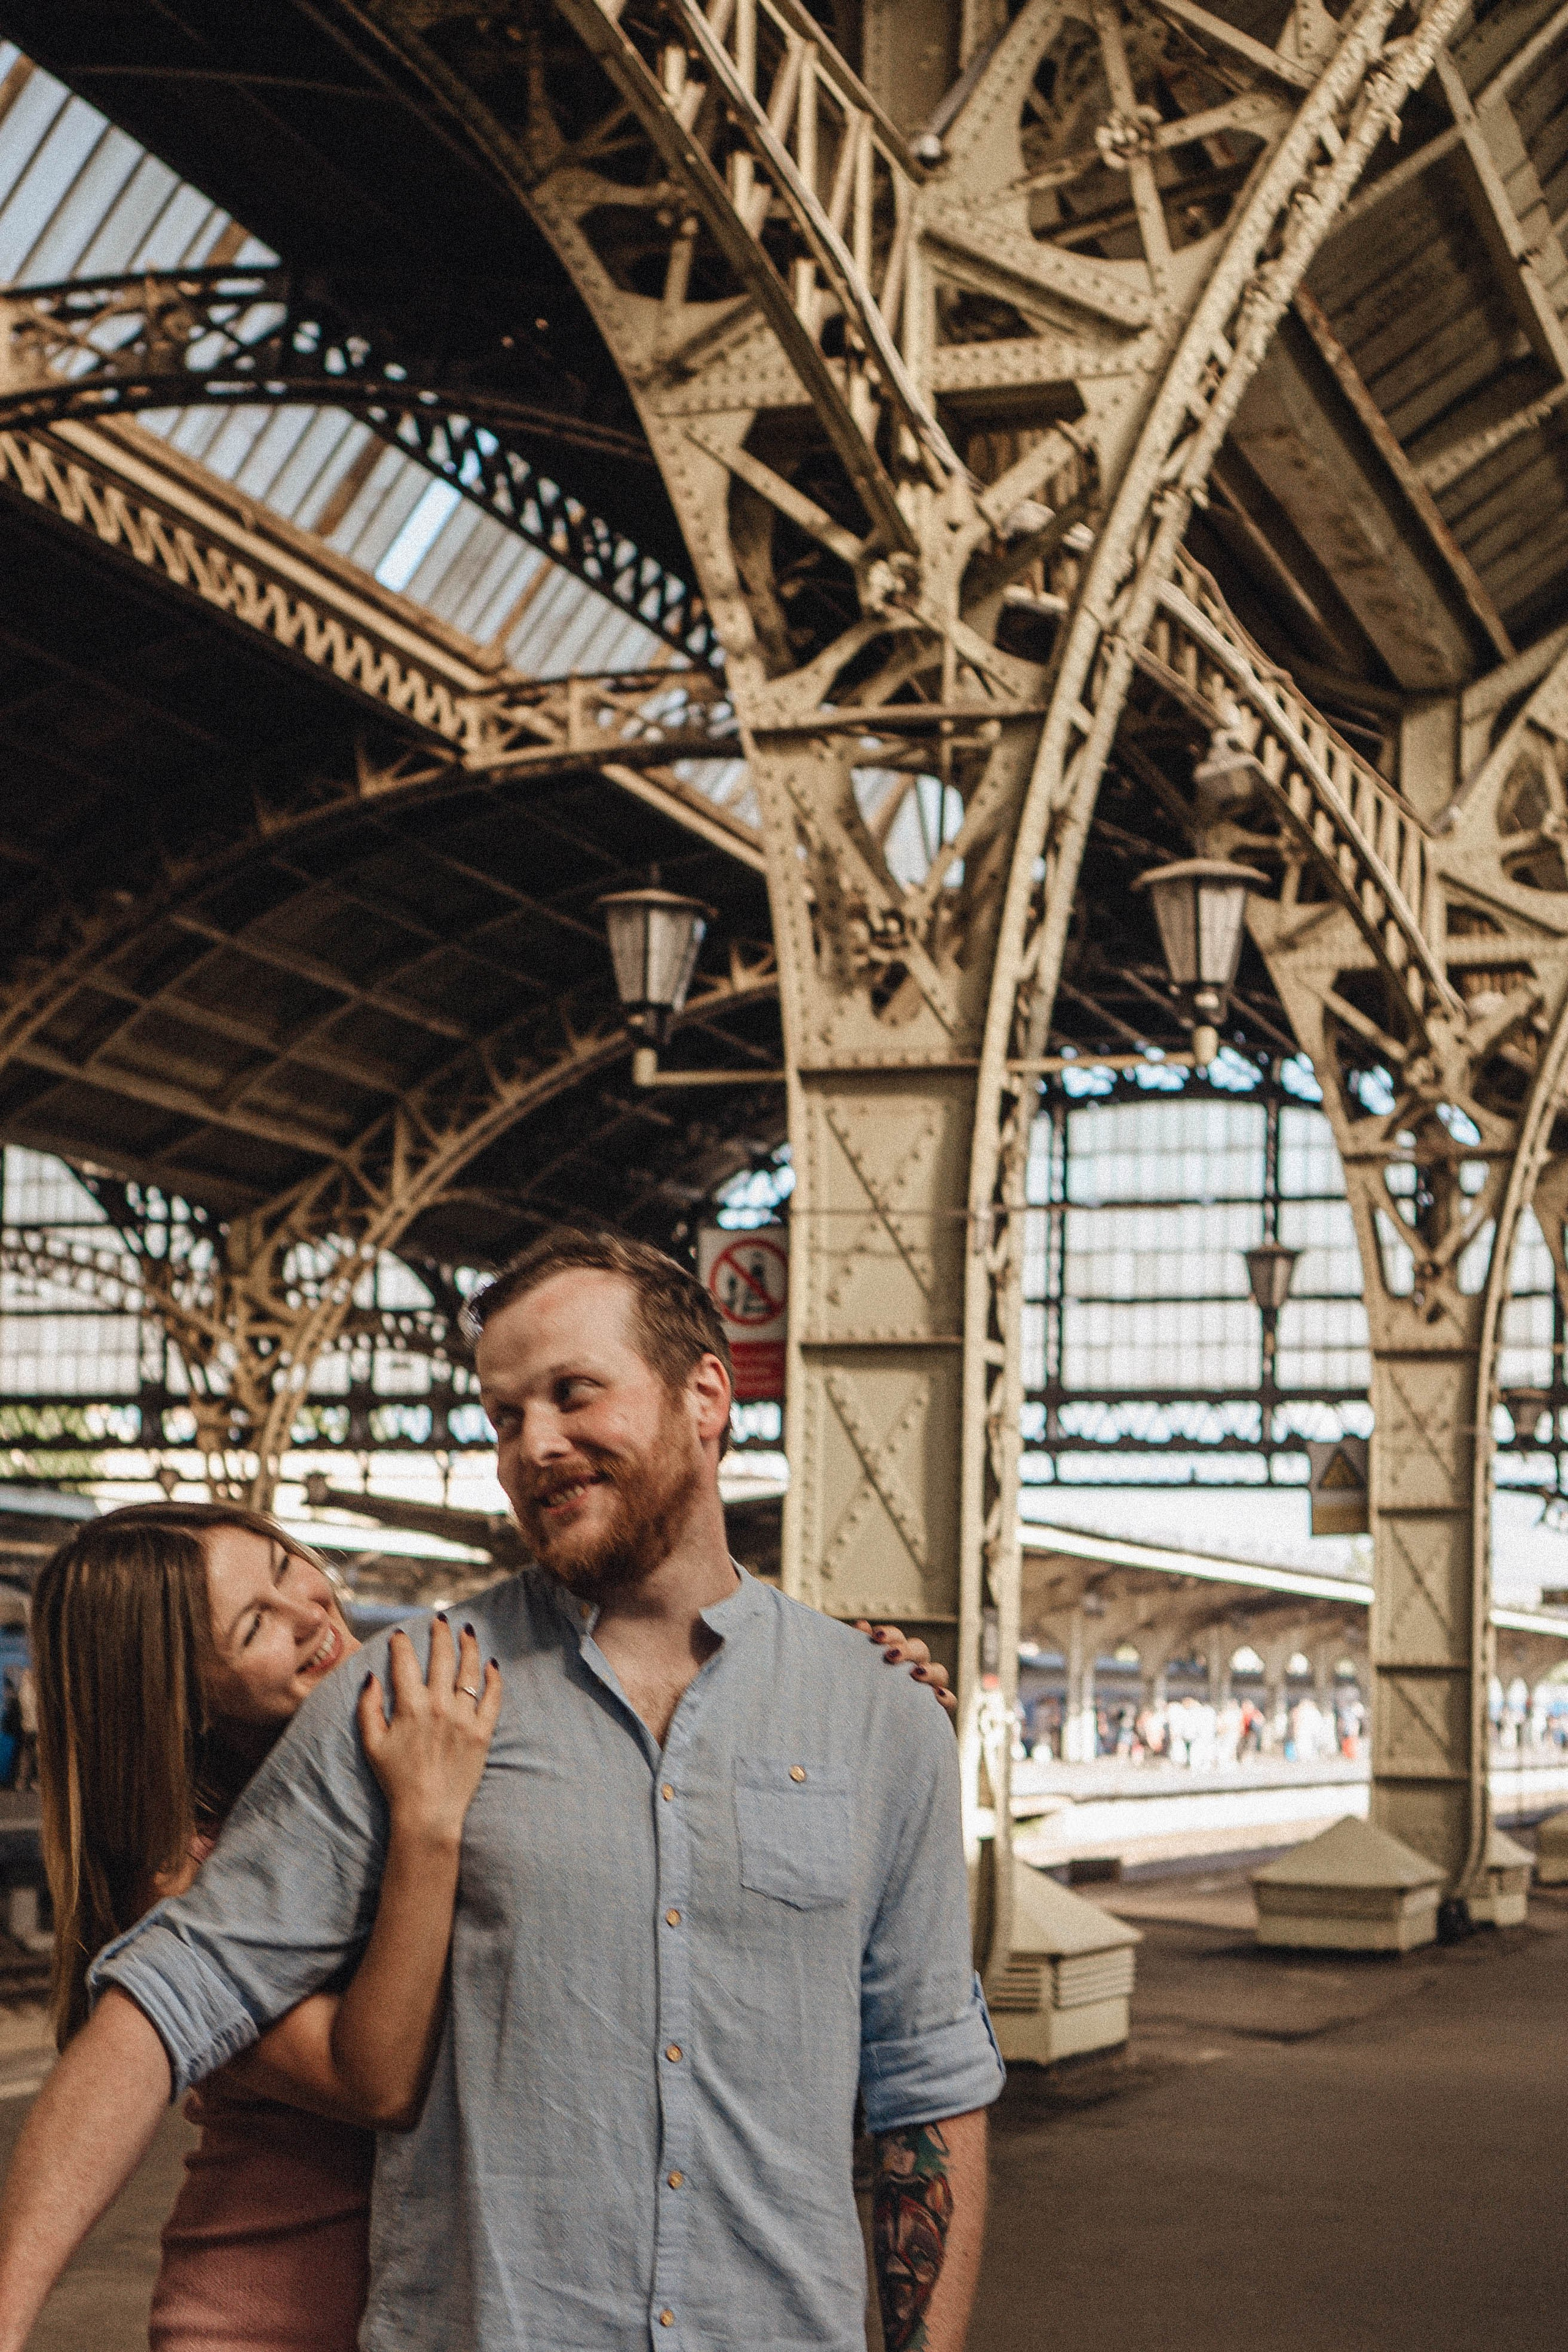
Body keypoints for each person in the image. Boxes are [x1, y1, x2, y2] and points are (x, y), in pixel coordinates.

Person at [0, 1229, 1000, 2352]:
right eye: (503, 1419)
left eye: (574, 1395)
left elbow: (925, 2083)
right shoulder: (406, 1697)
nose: (536, 1446)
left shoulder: (880, 1711)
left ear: (705, 1396)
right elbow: (171, 2001)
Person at [32, 1500, 502, 2350]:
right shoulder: (179, 1886)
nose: (311, 1613)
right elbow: (379, 2081)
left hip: (425, 2302)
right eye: (256, 1625)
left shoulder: (373, 1753)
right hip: (265, 2315)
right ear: (181, 1699)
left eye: (288, 1569)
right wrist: (428, 1821)